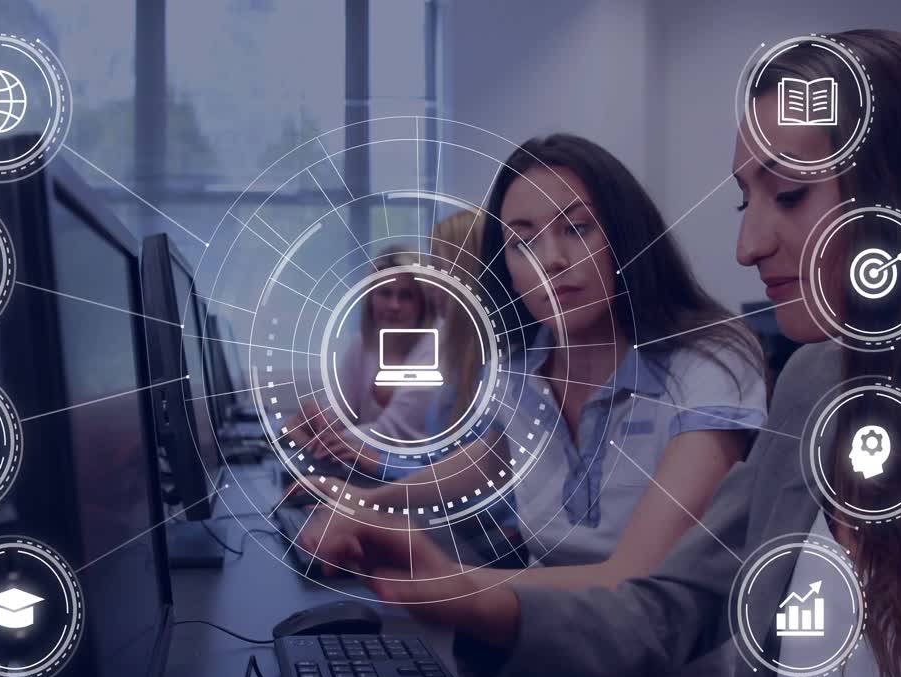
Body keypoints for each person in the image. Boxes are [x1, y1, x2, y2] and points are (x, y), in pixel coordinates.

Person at [307, 30, 901, 677]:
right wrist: (448, 582)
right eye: (746, 200)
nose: (747, 245)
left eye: (791, 194)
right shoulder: (815, 385)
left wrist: (459, 578)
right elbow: (671, 604)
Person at [302, 133, 767, 582]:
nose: (550, 260)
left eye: (577, 229)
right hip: (539, 619)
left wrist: (446, 583)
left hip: (655, 631)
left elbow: (636, 583)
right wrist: (369, 501)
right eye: (523, 243)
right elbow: (490, 457)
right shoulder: (520, 366)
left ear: (626, 235)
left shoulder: (711, 360)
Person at [285, 246, 437, 464]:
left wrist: (314, 439)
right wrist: (316, 418)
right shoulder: (363, 344)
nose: (394, 305)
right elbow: (338, 411)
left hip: (415, 473)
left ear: (422, 304)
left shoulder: (433, 350)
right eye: (385, 293)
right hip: (366, 467)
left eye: (406, 296)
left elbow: (389, 434)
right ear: (371, 299)